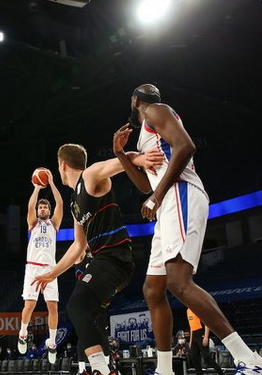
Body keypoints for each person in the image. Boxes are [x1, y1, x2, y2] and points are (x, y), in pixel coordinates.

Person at [113, 84, 262, 375]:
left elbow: (186, 146)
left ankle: (250, 360)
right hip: (167, 202)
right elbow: (145, 185)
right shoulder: (147, 134)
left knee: (178, 282)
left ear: (134, 101)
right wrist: (122, 155)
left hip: (180, 194)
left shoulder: (155, 111)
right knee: (153, 289)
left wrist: (157, 196)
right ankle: (165, 370)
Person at [33, 143, 162, 375]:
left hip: (114, 257)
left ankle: (101, 370)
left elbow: (117, 163)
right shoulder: (74, 204)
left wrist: (140, 159)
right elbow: (78, 246)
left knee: (76, 306)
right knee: (88, 316)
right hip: (107, 263)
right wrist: (52, 274)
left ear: (62, 165)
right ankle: (104, 367)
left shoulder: (90, 176)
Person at [18, 169, 63, 364]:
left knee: (53, 307)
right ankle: (22, 333)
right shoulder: (33, 224)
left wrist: (51, 183)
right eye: (41, 207)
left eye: (45, 207)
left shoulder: (54, 224)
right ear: (38, 211)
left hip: (50, 269)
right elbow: (30, 206)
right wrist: (36, 188)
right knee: (30, 305)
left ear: (49, 211)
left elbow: (60, 203)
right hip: (33, 268)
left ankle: (52, 343)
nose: (43, 209)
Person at [187, 308, 224, 375]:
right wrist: (190, 340)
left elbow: (206, 323)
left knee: (206, 357)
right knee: (194, 358)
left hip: (201, 333)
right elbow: (191, 327)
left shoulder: (198, 308)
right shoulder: (188, 311)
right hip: (194, 335)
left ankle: (221, 373)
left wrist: (206, 337)